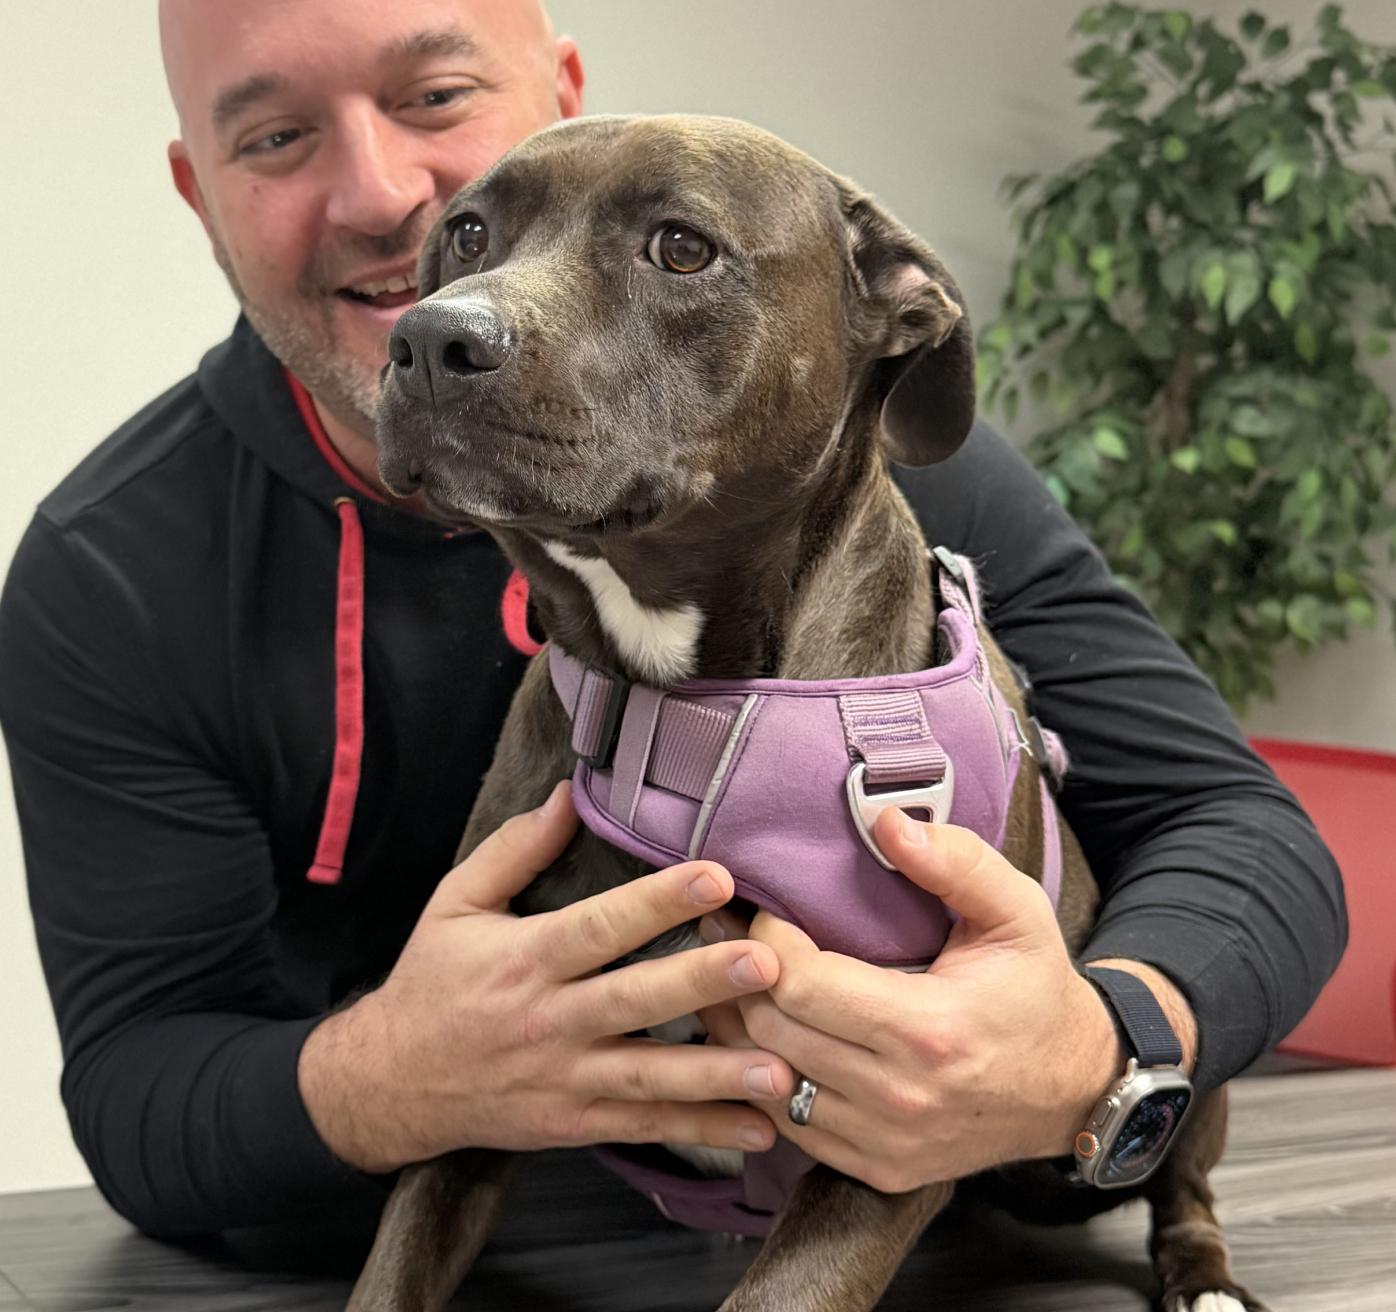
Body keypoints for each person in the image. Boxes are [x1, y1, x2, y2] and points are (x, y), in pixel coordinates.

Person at [0, 0, 1344, 1236]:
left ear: (562, 93)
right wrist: (398, 1072)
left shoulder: (831, 452)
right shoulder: (115, 569)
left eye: (436, 96)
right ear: (199, 192)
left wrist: (1097, 1045)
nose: (381, 195)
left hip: (903, 1232)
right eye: (275, 137)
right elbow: (138, 1086)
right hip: (474, 1247)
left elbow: (1243, 833)